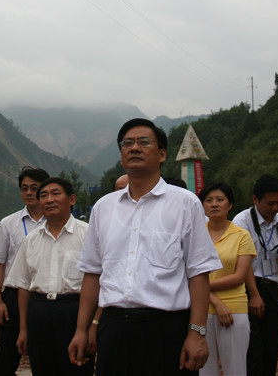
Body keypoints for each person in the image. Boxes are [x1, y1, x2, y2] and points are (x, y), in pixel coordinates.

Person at [68, 118, 221, 376]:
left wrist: (197, 332)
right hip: (114, 329)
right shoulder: (104, 208)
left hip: (166, 330)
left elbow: (198, 273)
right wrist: (82, 330)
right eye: (127, 143)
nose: (134, 148)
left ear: (162, 154)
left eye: (144, 142)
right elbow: (93, 273)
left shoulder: (186, 204)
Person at [6, 177, 94, 376]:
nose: (49, 199)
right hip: (39, 313)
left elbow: (99, 283)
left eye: (56, 193)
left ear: (72, 199)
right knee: (42, 369)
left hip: (75, 312)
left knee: (77, 369)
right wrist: (23, 329)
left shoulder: (88, 235)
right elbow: (23, 286)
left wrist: (92, 327)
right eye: (44, 196)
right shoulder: (31, 239)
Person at [0, 167, 50, 376]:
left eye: (34, 188)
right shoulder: (8, 224)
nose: (29, 193)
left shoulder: (56, 222)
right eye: (24, 188)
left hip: (45, 298)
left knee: (46, 358)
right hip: (13, 298)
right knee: (6, 358)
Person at [231, 174, 278, 376]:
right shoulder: (242, 222)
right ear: (255, 199)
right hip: (248, 287)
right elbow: (242, 263)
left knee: (273, 337)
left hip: (270, 286)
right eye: (270, 203)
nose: (275, 208)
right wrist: (254, 295)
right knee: (254, 347)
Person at [198, 183, 256, 376]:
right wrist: (215, 300)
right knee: (205, 369)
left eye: (220, 199)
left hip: (234, 308)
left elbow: (239, 277)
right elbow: (188, 275)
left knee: (236, 369)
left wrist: (201, 286)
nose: (214, 204)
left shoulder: (241, 235)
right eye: (209, 200)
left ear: (230, 204)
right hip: (200, 309)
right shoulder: (196, 234)